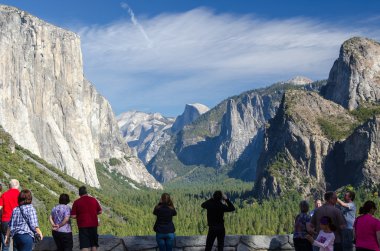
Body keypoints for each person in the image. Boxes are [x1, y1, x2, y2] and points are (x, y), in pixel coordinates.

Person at [71, 186, 102, 251]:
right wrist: (93, 214)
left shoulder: (76, 202)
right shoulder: (93, 200)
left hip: (83, 226)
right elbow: (100, 211)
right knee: (93, 244)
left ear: (79, 194)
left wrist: (80, 216)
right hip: (93, 224)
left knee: (84, 245)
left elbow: (73, 216)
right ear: (86, 192)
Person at [0, 179, 20, 251]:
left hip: (5, 221)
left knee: (5, 245)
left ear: (9, 186)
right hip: (18, 222)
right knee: (16, 246)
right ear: (18, 186)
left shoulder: (4, 195)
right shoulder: (21, 196)